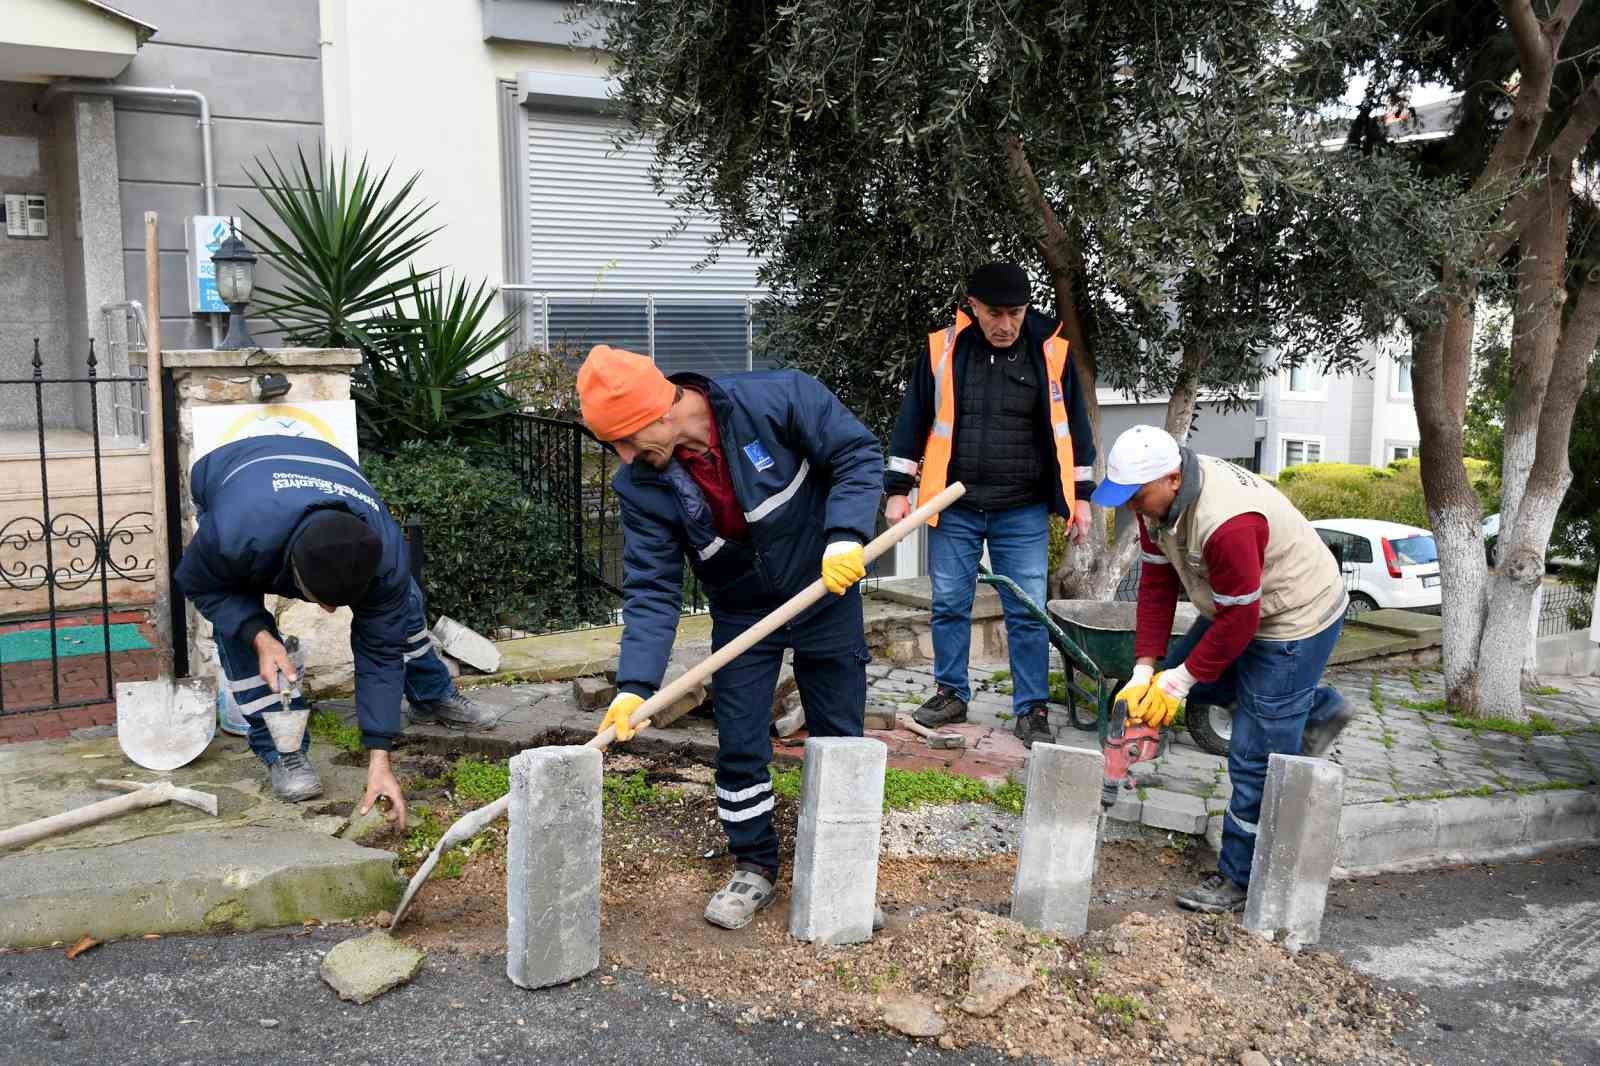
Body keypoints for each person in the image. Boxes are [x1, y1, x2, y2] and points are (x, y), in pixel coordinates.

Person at [577, 345, 882, 930]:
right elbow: (652, 589)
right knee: (740, 740)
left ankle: (845, 871)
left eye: (623, 439)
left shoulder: (779, 399)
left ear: (658, 412)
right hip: (742, 611)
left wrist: (845, 535)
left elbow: (856, 452)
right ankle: (755, 865)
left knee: (841, 736)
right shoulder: (642, 486)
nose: (622, 456)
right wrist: (635, 686)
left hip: (825, 587)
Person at [1092, 425, 1355, 913]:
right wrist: (1145, 670)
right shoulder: (1157, 506)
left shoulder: (1228, 521)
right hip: (1238, 608)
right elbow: (1155, 585)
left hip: (1294, 619)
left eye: (1136, 495)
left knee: (1253, 759)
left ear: (1172, 478)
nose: (1131, 506)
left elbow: (1242, 621)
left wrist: (1177, 682)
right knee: (1204, 681)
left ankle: (1238, 878)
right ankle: (1315, 709)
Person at [174, 435, 498, 821]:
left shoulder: (386, 554)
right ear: (292, 574)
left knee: (402, 608)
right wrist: (260, 636)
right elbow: (201, 583)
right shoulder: (234, 533)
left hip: (323, 466)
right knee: (239, 627)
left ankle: (430, 693)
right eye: (322, 599)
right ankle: (284, 750)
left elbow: (379, 651)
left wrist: (381, 757)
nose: (329, 610)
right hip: (230, 474)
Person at [885, 261, 1097, 748]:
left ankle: (1031, 708)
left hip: (1021, 509)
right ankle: (950, 693)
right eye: (995, 313)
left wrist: (1080, 500)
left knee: (1025, 611)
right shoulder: (943, 351)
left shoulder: (1051, 354)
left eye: (1016, 313)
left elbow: (1076, 434)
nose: (1006, 325)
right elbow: (912, 419)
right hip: (954, 505)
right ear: (973, 307)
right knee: (950, 605)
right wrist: (898, 488)